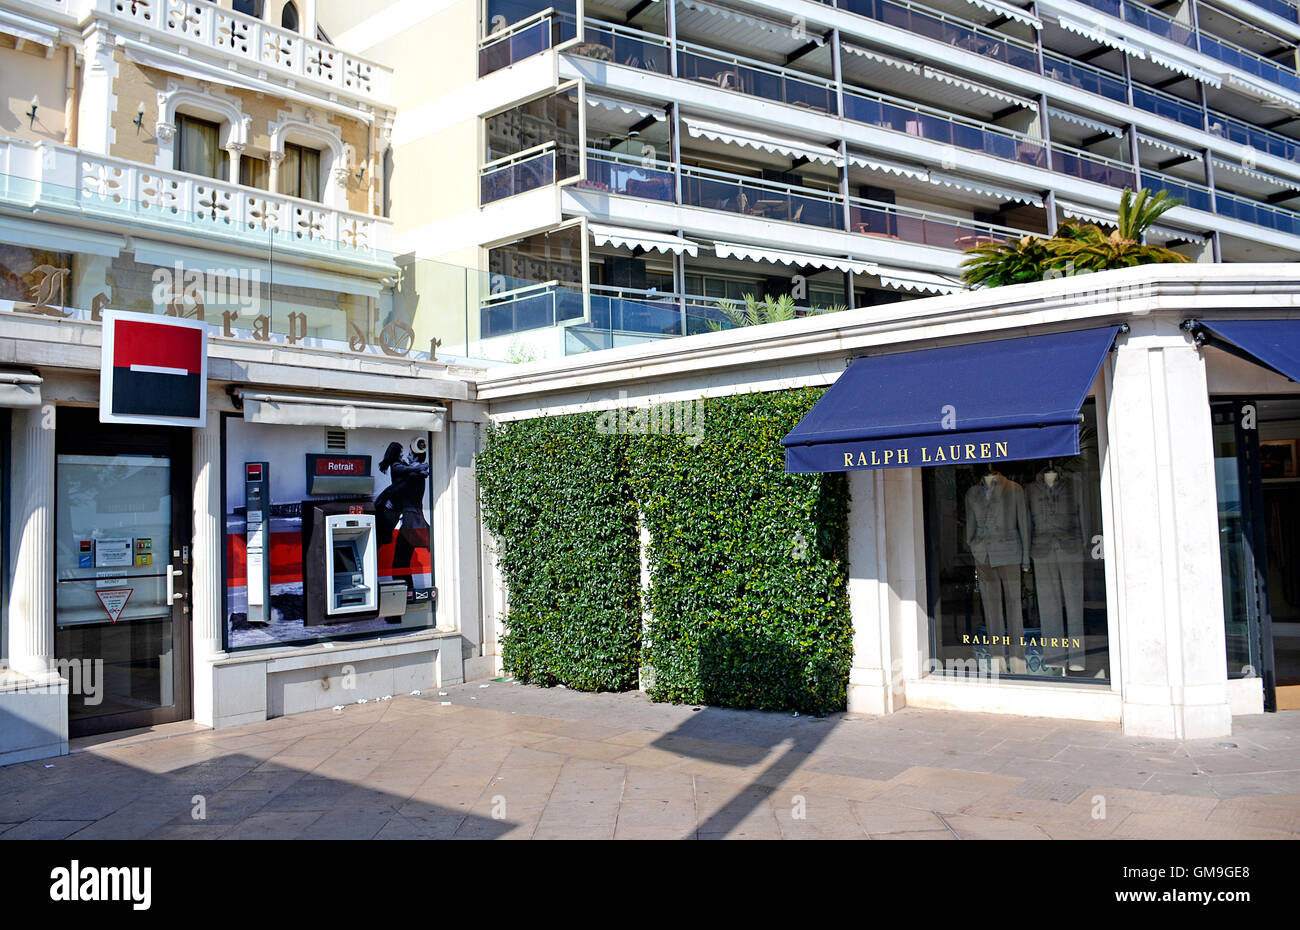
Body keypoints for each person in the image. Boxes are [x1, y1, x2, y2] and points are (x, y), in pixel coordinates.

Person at [376, 440, 430, 606]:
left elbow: (400, 487)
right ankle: (409, 599)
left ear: (415, 457)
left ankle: (405, 602)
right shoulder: (415, 474)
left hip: (411, 526)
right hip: (413, 524)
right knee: (403, 564)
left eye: (409, 454)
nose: (406, 456)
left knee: (399, 565)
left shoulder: (414, 476)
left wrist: (389, 499)